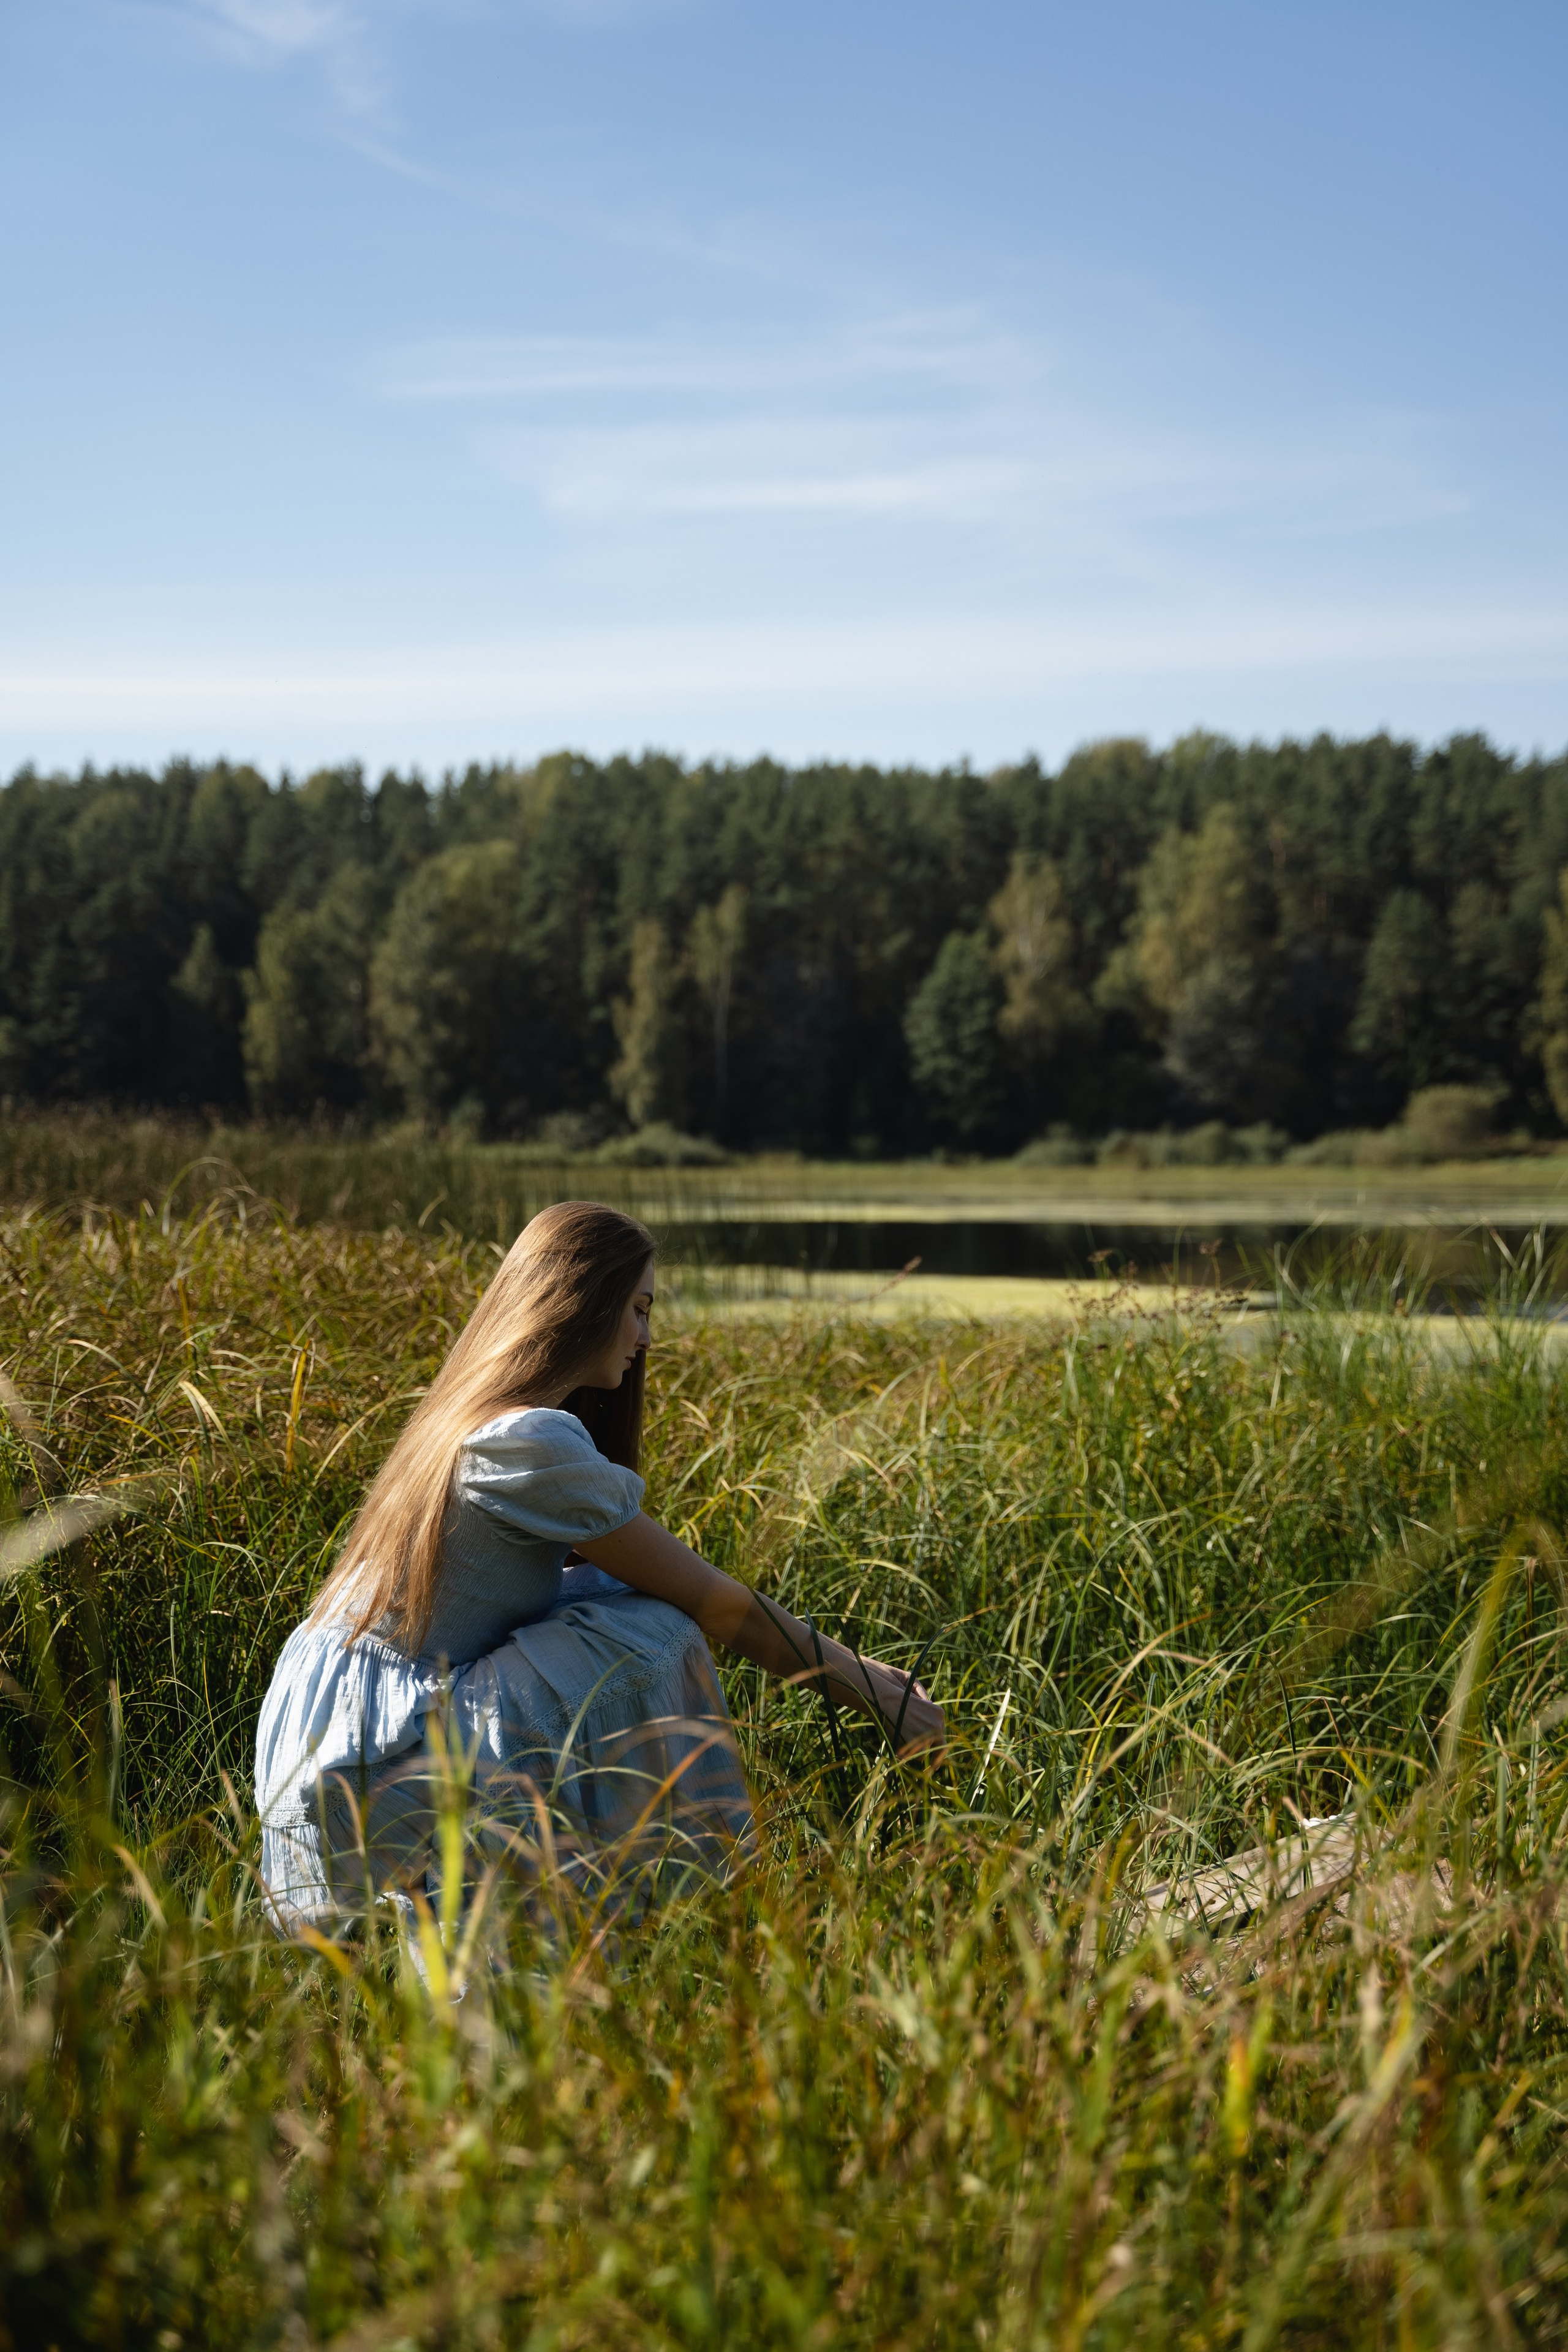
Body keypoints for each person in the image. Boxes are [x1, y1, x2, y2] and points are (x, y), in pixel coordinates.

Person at [255, 1200, 943, 1929]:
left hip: (327, 1726)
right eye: (639, 1309)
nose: (646, 1337)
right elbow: (717, 1603)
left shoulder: (463, 1415)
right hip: (365, 1768)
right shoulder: (525, 1441)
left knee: (607, 1592)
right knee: (657, 1629)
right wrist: (868, 1687)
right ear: (583, 1304)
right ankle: (651, 1915)